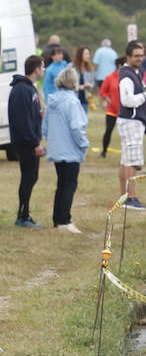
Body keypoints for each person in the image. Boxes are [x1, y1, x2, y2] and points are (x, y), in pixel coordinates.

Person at [41, 66, 89, 233]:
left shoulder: (52, 101)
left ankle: (57, 219)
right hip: (70, 150)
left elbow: (45, 128)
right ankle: (64, 220)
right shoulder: (73, 102)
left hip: (56, 149)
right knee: (69, 185)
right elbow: (76, 128)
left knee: (61, 184)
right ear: (74, 82)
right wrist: (84, 144)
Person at [9, 55, 44, 228]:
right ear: (36, 69)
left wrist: (39, 114)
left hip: (30, 140)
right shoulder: (22, 90)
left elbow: (30, 114)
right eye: (42, 67)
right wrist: (34, 143)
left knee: (32, 177)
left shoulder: (30, 89)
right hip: (26, 142)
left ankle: (25, 214)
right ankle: (22, 216)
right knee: (28, 177)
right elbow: (22, 121)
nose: (43, 70)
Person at [116, 41, 146, 209]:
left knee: (126, 160)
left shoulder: (135, 72)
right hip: (131, 120)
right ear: (128, 57)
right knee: (132, 161)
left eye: (141, 55)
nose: (140, 58)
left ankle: (124, 195)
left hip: (131, 120)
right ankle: (131, 197)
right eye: (136, 56)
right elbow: (127, 100)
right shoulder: (126, 76)